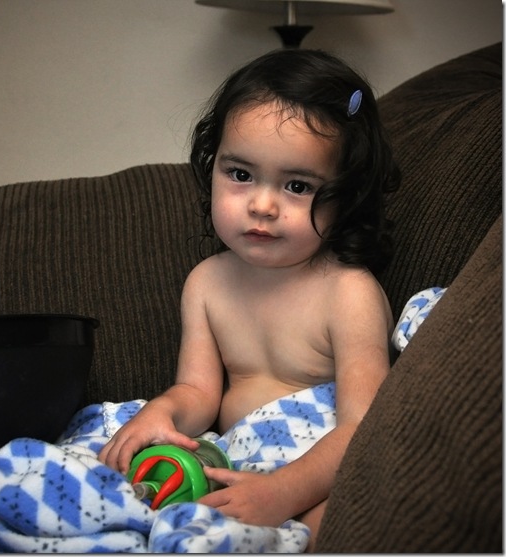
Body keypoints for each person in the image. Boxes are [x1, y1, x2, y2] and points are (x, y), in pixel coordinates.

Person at [99, 48, 399, 547]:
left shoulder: (348, 292)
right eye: (240, 175)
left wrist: (282, 492)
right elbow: (198, 392)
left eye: (297, 185)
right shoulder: (207, 283)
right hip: (232, 462)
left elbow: (363, 429)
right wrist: (164, 413)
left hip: (314, 474)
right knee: (120, 473)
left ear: (346, 198)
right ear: (211, 165)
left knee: (346, 513)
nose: (262, 205)